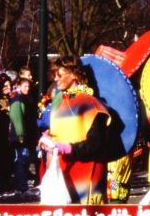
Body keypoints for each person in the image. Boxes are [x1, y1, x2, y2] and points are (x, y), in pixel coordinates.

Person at [39, 56, 110, 204]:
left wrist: (69, 148)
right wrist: (48, 138)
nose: (55, 78)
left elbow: (96, 143)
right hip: (64, 175)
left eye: (59, 74)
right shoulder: (62, 102)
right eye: (54, 74)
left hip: (85, 177)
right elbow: (61, 130)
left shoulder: (90, 103)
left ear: (73, 74)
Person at [9, 77, 39, 193]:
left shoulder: (24, 98)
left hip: (25, 134)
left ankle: (20, 185)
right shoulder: (17, 99)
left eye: (28, 86)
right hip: (20, 136)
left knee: (24, 160)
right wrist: (20, 135)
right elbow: (17, 118)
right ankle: (21, 186)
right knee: (22, 160)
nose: (27, 88)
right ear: (19, 86)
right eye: (25, 86)